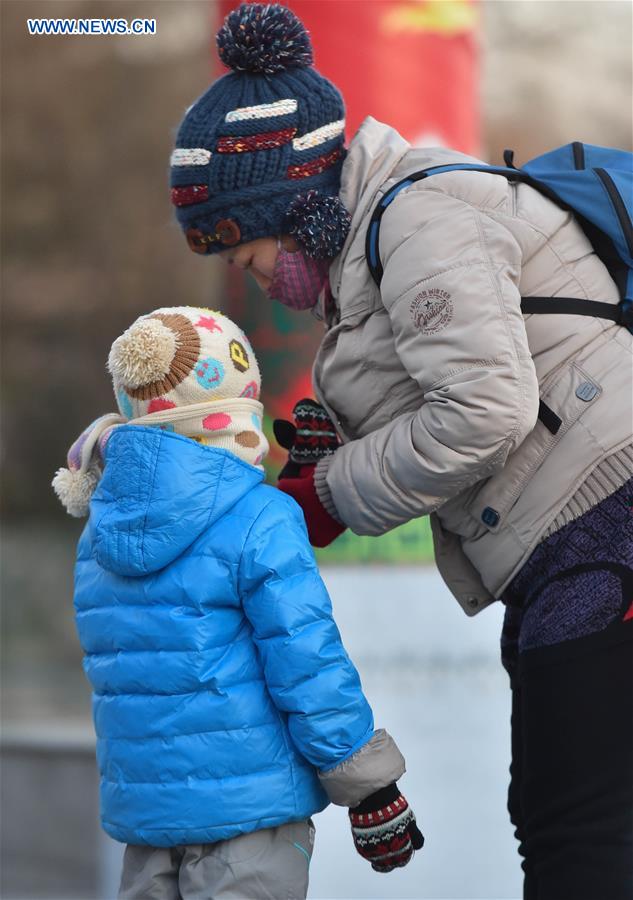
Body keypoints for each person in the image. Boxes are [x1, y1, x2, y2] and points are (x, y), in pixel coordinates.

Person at [169, 5, 633, 899]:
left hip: (602, 527)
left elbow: (484, 412)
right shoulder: (375, 251)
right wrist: (338, 447)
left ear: (290, 198)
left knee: (576, 830)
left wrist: (334, 489)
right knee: (561, 818)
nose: (246, 268)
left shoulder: (418, 214)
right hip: (571, 540)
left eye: (240, 240)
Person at [52, 306, 423, 900]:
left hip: (147, 816)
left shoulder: (99, 535)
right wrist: (369, 787)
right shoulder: (259, 519)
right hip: (252, 815)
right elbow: (307, 661)